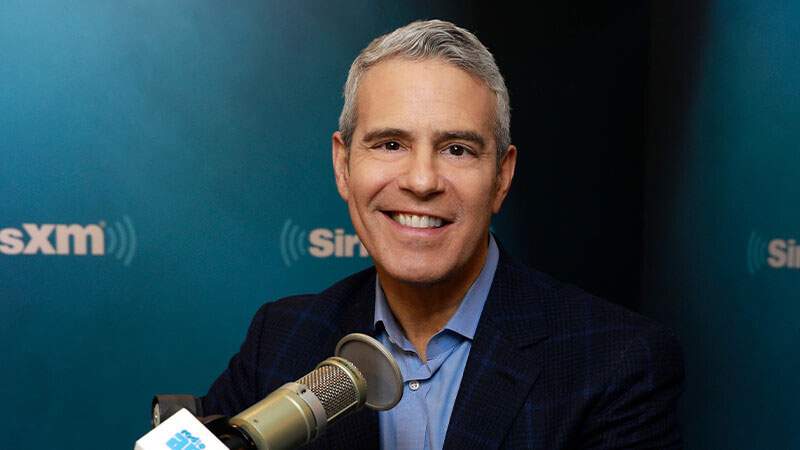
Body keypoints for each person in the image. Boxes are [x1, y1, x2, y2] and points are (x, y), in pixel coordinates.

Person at [200, 19, 684, 449]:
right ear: (343, 165)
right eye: (390, 144)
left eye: (457, 149)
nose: (422, 180)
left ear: (502, 176)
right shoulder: (281, 338)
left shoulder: (616, 361)